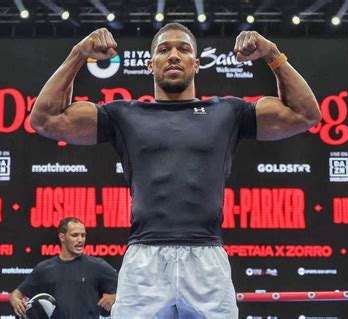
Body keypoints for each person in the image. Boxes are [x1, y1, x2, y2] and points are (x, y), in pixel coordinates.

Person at [28, 23, 321, 318]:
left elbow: (304, 114)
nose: (174, 56)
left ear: (197, 64)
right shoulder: (123, 115)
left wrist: (272, 54)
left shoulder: (228, 112)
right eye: (163, 49)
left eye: (184, 49)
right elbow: (45, 119)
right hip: (145, 260)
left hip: (206, 258)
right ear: (149, 64)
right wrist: (79, 53)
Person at [10, 217, 118, 319]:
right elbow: (17, 293)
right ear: (62, 237)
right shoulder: (44, 269)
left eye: (83, 235)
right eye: (75, 235)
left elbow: (129, 289)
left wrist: (115, 297)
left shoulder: (96, 266)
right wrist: (15, 300)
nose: (80, 240)